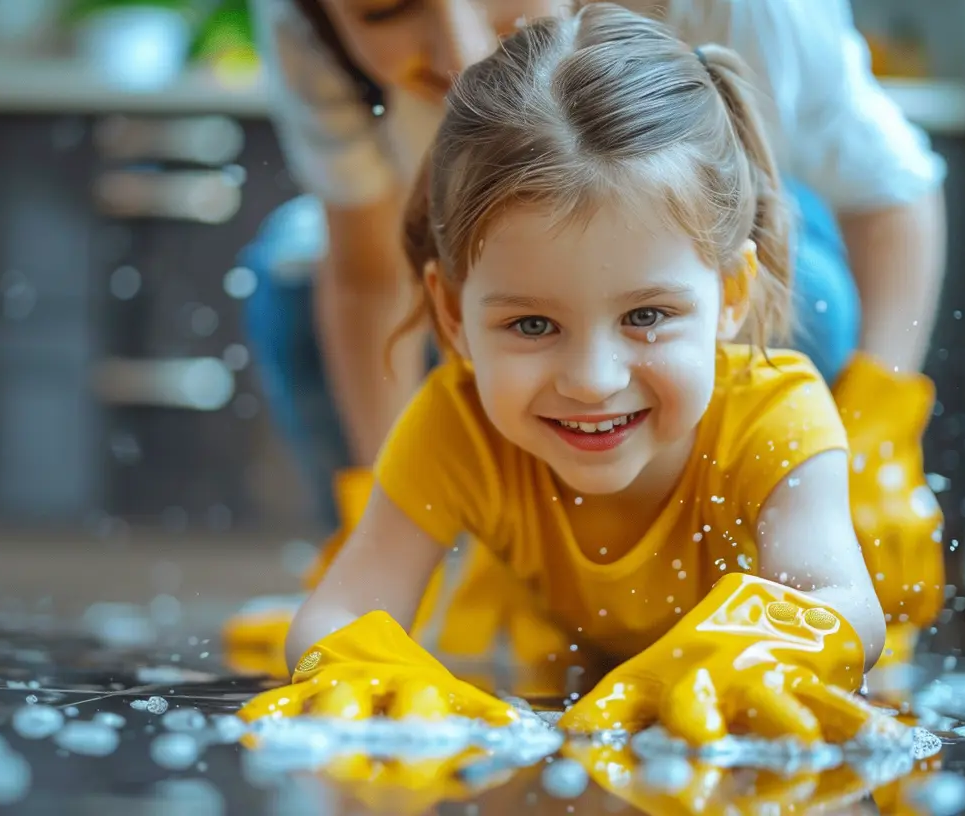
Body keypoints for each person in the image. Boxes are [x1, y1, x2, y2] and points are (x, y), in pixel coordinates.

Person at [240, 5, 894, 743]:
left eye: (647, 316)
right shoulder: (454, 424)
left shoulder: (777, 415)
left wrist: (769, 649)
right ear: (451, 317)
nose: (592, 378)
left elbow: (843, 599)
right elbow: (337, 612)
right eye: (531, 325)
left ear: (732, 297)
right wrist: (356, 659)